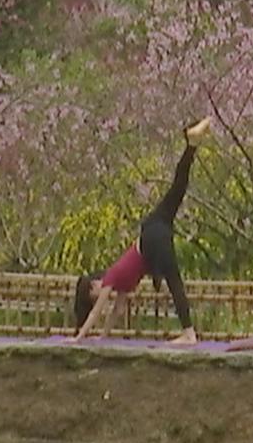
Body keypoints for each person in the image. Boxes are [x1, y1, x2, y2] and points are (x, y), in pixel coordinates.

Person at [73, 119, 214, 345]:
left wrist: (80, 338)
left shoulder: (110, 278)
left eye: (95, 296)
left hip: (151, 238)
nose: (101, 299)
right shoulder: (121, 285)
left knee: (174, 280)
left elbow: (97, 313)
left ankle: (189, 333)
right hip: (154, 228)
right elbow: (116, 313)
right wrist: (102, 338)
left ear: (94, 286)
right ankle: (192, 145)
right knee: (177, 189)